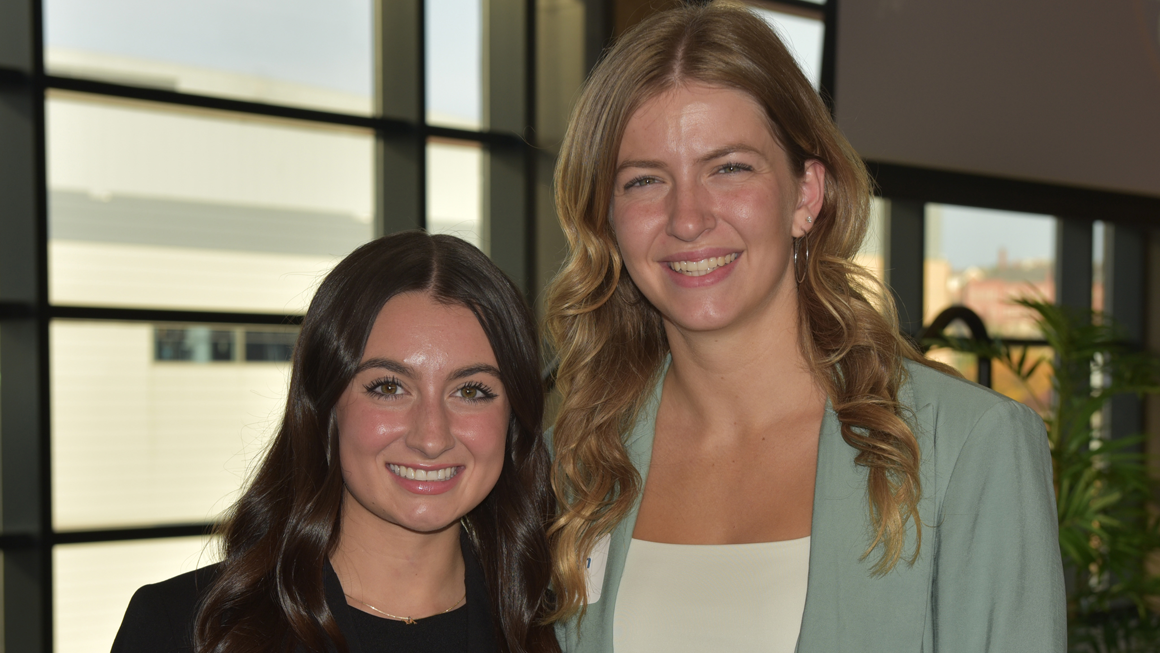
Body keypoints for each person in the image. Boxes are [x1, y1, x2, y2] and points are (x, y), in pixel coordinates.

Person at [543, 3, 1065, 652]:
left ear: (806, 195)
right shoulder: (578, 461)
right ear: (608, 217)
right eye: (645, 180)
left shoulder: (965, 448)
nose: (686, 218)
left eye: (729, 167)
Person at [112, 232, 560, 653]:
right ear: (325, 406)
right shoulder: (187, 629)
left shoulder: (561, 632)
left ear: (514, 418)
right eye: (388, 387)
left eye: (470, 391)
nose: (431, 437)